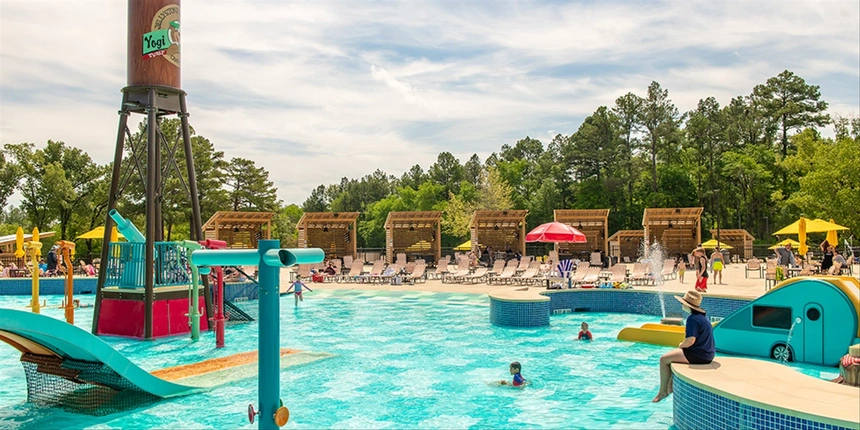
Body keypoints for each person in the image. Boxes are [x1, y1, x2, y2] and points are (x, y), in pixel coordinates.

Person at [653, 290, 715, 403]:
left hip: (699, 356)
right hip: (709, 354)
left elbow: (691, 340)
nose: (681, 305)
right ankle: (670, 387)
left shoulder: (693, 319)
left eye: (682, 303)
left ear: (687, 305)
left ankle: (663, 391)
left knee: (663, 359)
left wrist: (681, 345)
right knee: (673, 357)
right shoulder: (703, 317)